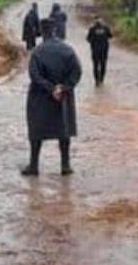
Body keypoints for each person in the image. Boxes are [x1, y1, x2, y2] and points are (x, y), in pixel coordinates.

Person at [23, 18, 82, 176]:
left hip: (40, 97)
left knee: (36, 130)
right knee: (64, 129)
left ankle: (34, 165)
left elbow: (34, 75)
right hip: (63, 97)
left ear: (42, 32)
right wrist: (63, 87)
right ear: (55, 30)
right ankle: (65, 165)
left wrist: (50, 88)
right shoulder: (68, 50)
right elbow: (77, 71)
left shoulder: (38, 52)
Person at [85, 16, 113, 85]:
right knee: (102, 64)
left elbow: (88, 39)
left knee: (96, 65)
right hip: (104, 50)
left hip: (95, 50)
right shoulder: (106, 28)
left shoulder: (92, 28)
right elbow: (110, 36)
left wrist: (93, 41)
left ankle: (97, 80)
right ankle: (101, 79)